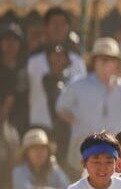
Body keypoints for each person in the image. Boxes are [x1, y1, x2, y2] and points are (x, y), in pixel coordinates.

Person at [56, 37, 121, 173]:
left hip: (115, 152)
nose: (105, 63)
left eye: (110, 59)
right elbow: (61, 108)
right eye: (102, 59)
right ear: (94, 61)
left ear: (117, 63)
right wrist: (78, 123)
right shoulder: (79, 84)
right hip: (85, 150)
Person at [27, 8, 86, 136]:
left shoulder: (77, 62)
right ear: (46, 27)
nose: (58, 28)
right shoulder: (33, 60)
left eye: (62, 24)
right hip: (40, 123)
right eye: (54, 23)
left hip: (68, 125)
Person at [0, 22, 29, 136]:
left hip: (22, 123)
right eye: (7, 40)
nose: (11, 44)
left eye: (15, 40)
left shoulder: (26, 68)